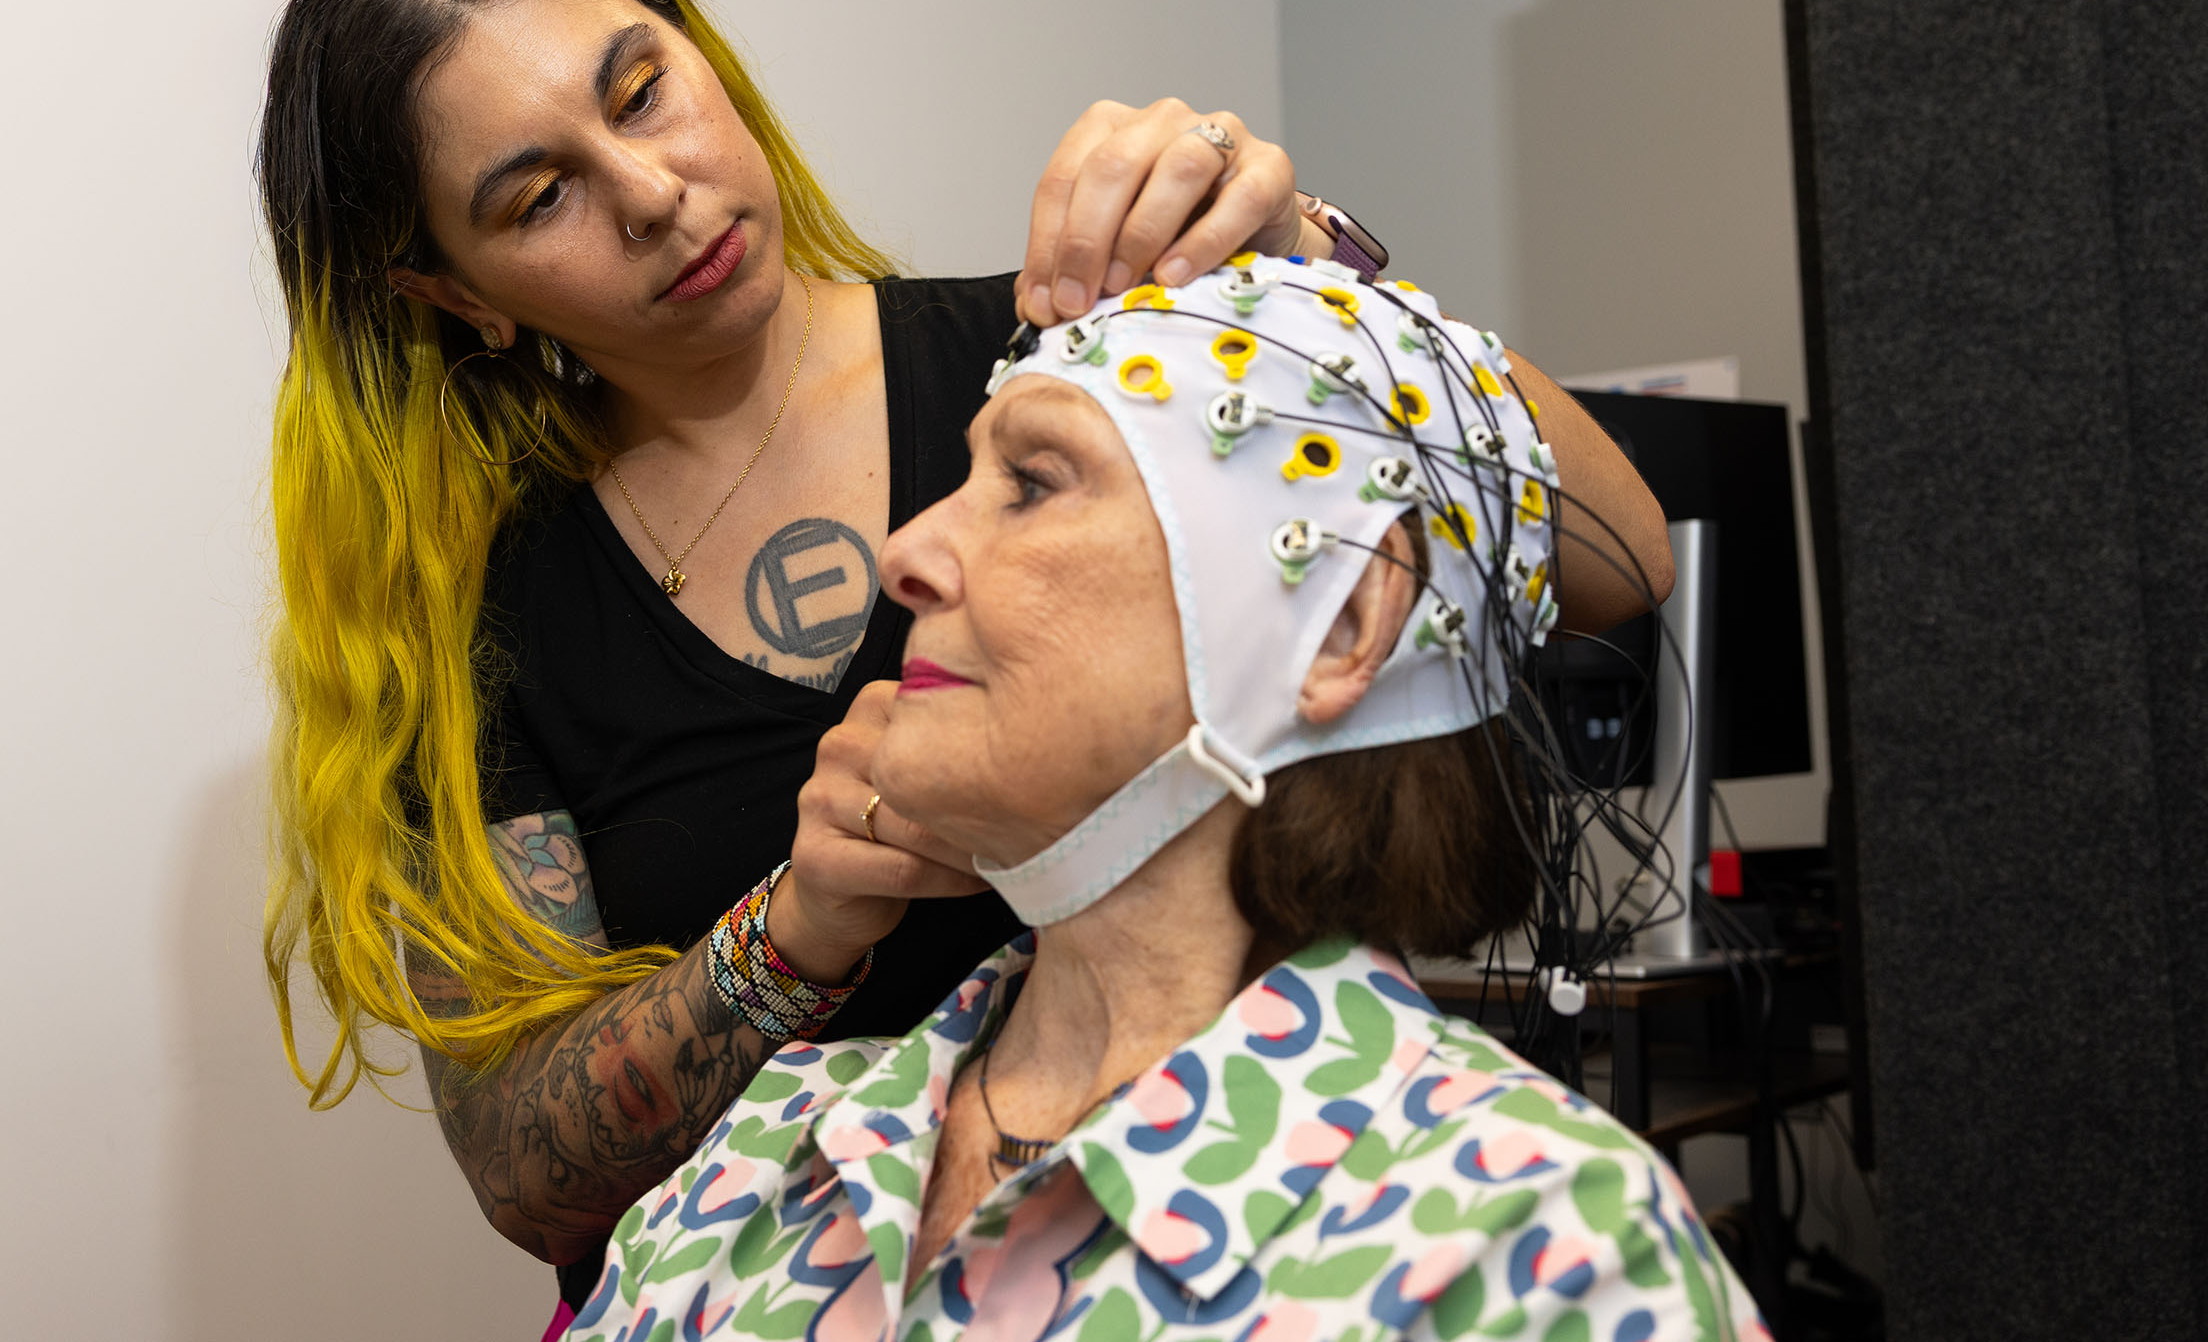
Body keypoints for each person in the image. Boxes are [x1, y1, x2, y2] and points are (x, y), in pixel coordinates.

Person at [251, 0, 1678, 1317]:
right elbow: (527, 1177)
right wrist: (797, 926)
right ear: (453, 292)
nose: (653, 193)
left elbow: (1610, 560)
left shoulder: (1077, 357)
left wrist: (1307, 263)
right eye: (540, 195)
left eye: (642, 90)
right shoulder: (483, 619)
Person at [567, 271, 1763, 1342]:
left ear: (1344, 619)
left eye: (1030, 484)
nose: (909, 554)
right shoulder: (768, 1158)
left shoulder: (1538, 1247)